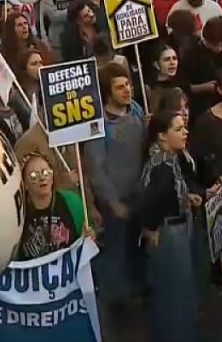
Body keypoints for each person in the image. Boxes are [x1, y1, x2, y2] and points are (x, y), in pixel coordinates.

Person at [83, 63, 146, 309]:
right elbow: (96, 169)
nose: (127, 90)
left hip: (139, 195)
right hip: (115, 201)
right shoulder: (98, 124)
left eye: (128, 85)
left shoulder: (138, 110)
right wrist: (112, 202)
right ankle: (117, 306)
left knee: (136, 249)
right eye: (120, 87)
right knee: (117, 253)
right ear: (108, 92)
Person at [139, 111, 198, 342]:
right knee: (175, 298)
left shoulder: (168, 159)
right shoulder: (160, 165)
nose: (185, 132)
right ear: (162, 137)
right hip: (169, 234)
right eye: (178, 129)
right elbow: (151, 200)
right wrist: (151, 227)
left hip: (171, 229)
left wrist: (186, 197)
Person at [18, 153, 84, 261]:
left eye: (45, 173)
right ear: (25, 184)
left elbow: (83, 234)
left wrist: (88, 237)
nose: (42, 178)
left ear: (52, 177)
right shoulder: (18, 213)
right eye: (34, 176)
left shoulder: (72, 202)